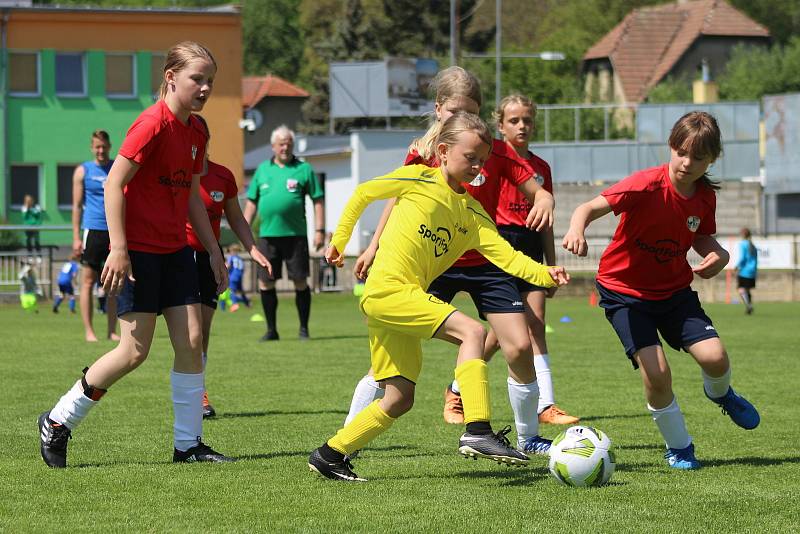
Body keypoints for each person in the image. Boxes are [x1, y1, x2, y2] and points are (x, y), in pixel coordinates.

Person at [308, 111, 569, 482]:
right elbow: (364, 192)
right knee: (473, 332)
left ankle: (330, 455)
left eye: (482, 159)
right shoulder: (418, 179)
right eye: (470, 157)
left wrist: (546, 273)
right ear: (443, 152)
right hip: (387, 290)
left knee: (399, 398)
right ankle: (477, 429)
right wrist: (339, 241)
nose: (477, 166)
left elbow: (507, 258)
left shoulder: (473, 214)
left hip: (402, 297)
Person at [38, 41, 233, 468]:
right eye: (196, 79)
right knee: (133, 352)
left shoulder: (197, 130)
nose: (204, 88)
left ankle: (188, 445)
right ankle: (57, 420)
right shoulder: (151, 125)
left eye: (210, 81)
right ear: (171, 78)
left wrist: (214, 251)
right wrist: (120, 248)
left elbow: (193, 200)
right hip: (139, 253)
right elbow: (113, 185)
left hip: (177, 250)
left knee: (193, 340)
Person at [346, 68, 556, 456]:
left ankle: (527, 438)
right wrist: (374, 245)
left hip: (484, 260)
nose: (461, 119)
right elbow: (395, 196)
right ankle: (349, 440)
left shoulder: (492, 149)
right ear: (438, 108)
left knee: (519, 347)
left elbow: (534, 185)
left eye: (471, 111)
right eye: (455, 110)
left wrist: (544, 199)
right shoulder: (425, 152)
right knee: (387, 363)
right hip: (432, 262)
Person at [562, 111, 760, 470]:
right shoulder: (645, 184)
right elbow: (589, 207)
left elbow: (700, 235)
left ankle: (721, 394)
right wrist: (577, 229)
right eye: (681, 152)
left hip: (673, 293)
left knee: (715, 357)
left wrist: (719, 254)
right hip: (624, 292)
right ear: (671, 146)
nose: (687, 162)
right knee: (657, 373)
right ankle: (680, 447)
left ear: (713, 159)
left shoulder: (703, 197)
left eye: (698, 157)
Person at [483, 95, 579, 426]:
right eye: (514, 120)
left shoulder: (541, 169)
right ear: (500, 125)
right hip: (502, 244)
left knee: (535, 324)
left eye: (527, 120)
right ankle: (457, 386)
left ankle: (546, 405)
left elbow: (546, 221)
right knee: (504, 332)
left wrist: (551, 264)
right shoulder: (492, 159)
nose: (521, 125)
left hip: (532, 246)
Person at [186, 114, 271, 419]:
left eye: (199, 137)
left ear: (206, 140)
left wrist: (253, 249)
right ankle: (192, 393)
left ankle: (198, 391)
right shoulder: (179, 174)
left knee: (203, 331)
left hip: (211, 257)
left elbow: (236, 218)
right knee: (191, 333)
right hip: (180, 255)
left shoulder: (222, 176)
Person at [244, 125, 325, 341]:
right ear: (273, 147)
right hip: (267, 236)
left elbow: (318, 200)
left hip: (295, 235)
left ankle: (304, 329)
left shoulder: (304, 169)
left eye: (289, 144)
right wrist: (243, 231)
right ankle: (271, 330)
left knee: (300, 281)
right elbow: (251, 203)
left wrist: (320, 230)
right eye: (281, 144)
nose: (285, 148)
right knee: (265, 282)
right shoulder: (262, 170)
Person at [72, 129, 119, 342]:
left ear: (109, 146)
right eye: (97, 147)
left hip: (114, 231)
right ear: (92, 148)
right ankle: (89, 332)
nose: (100, 150)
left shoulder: (117, 168)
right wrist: (76, 237)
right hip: (93, 230)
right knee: (88, 282)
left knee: (113, 283)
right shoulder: (83, 171)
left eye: (104, 146)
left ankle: (111, 331)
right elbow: (76, 206)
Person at [735, 227, 757, 314]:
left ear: (743, 234)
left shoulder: (743, 244)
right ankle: (749, 307)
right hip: (752, 271)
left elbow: (742, 257)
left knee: (741, 289)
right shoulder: (753, 245)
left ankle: (749, 306)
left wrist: (737, 266)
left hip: (744, 271)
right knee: (747, 290)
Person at [226, 244, 249, 310]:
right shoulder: (239, 258)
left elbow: (228, 266)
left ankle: (235, 304)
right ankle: (247, 303)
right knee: (241, 291)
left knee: (231, 290)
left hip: (233, 276)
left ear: (232, 251)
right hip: (240, 276)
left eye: (229, 251)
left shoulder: (231, 257)